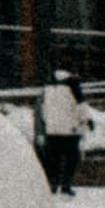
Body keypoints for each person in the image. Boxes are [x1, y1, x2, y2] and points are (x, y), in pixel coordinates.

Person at [36, 69, 85, 197]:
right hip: (70, 130)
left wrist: (47, 125)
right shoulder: (73, 87)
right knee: (71, 159)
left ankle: (52, 184)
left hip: (52, 130)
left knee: (53, 159)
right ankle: (66, 186)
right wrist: (86, 121)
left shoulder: (47, 89)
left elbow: (42, 109)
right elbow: (80, 106)